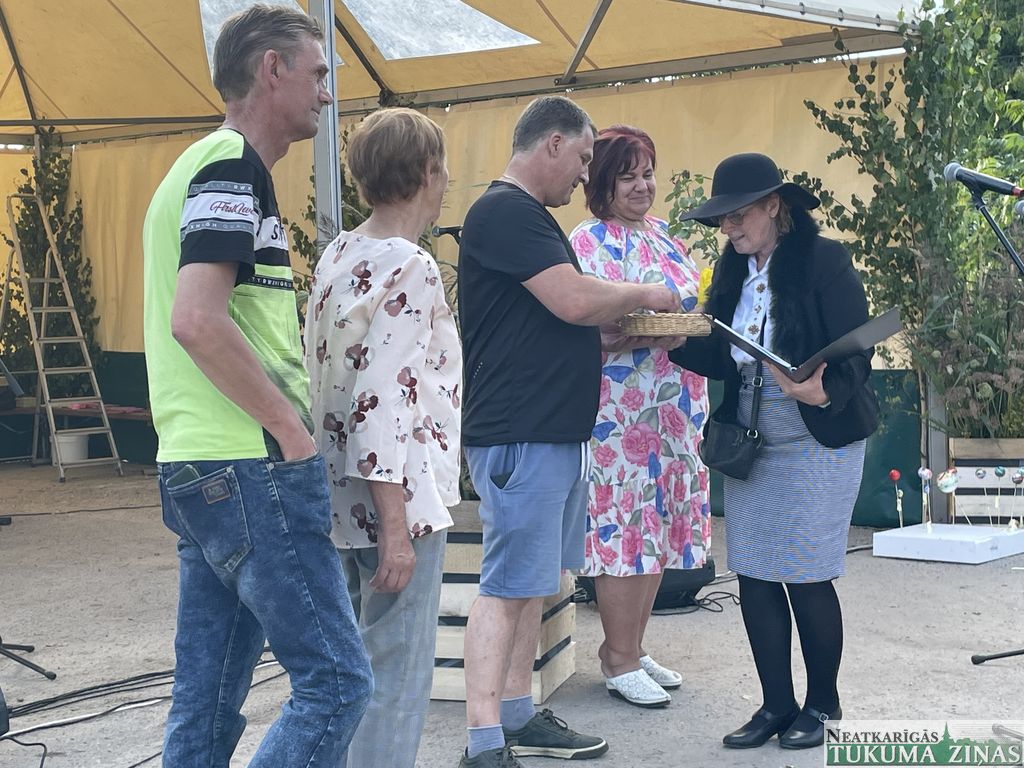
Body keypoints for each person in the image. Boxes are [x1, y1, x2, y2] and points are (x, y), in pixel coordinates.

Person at [142, 6, 372, 765]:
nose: (327, 93)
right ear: (272, 69)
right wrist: (292, 432)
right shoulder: (229, 164)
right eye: (318, 73)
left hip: (199, 462)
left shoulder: (198, 165)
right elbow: (197, 320)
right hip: (250, 463)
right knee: (337, 685)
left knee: (205, 701)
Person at [457, 95, 681, 768]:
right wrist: (644, 294)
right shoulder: (506, 211)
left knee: (532, 584)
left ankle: (518, 715)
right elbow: (574, 298)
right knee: (505, 588)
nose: (586, 174)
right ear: (551, 143)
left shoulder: (526, 217)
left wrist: (602, 337)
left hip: (550, 433)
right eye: (584, 158)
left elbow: (557, 318)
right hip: (521, 434)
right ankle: (483, 740)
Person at [669, 153, 879, 750]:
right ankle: (776, 704)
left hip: (818, 435)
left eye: (737, 216)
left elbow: (858, 348)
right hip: (752, 435)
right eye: (722, 220)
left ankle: (822, 703)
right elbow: (722, 357)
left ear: (773, 207)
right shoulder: (731, 270)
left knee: (805, 572)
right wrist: (675, 340)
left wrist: (824, 389)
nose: (728, 229)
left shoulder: (823, 260)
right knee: (755, 573)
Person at [304, 108, 460, 768]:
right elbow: (383, 398)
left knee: (350, 671)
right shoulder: (411, 265)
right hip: (400, 498)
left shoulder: (338, 253)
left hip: (337, 494)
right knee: (394, 677)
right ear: (427, 172)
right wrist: (395, 525)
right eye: (443, 167)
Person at [569, 125, 710, 708]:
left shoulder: (665, 234)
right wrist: (643, 332)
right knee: (626, 526)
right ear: (601, 183)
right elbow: (585, 327)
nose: (642, 186)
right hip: (621, 414)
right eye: (627, 176)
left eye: (647, 174)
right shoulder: (587, 243)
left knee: (661, 525)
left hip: (676, 408)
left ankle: (633, 645)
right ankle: (617, 656)